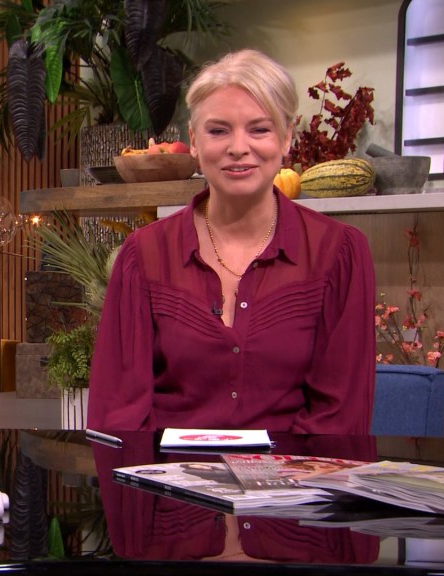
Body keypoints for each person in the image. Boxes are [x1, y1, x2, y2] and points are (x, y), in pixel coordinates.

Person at [87, 49, 375, 434]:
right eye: (218, 131)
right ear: (193, 141)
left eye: (259, 129)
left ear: (286, 137)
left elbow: (340, 417)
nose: (238, 147)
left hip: (297, 472)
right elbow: (117, 415)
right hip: (165, 471)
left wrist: (283, 475)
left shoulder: (338, 253)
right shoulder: (144, 255)